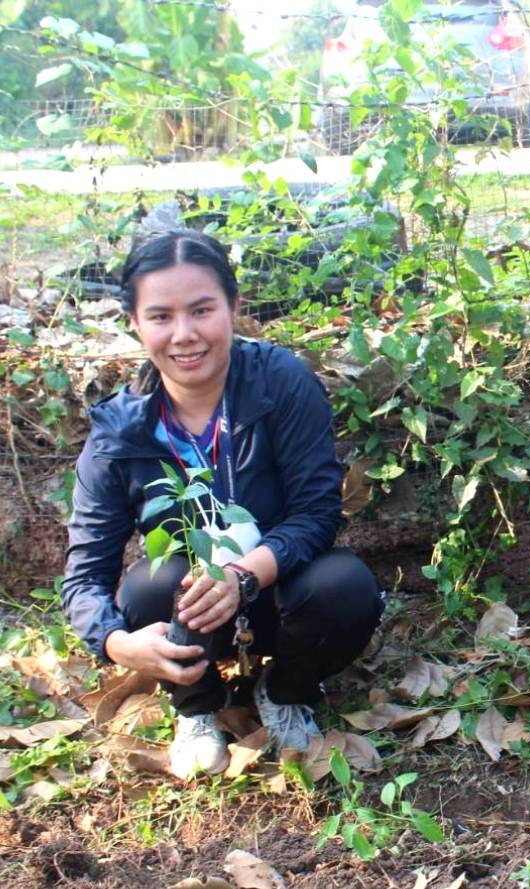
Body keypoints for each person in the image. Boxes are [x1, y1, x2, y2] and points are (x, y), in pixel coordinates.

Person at [63, 230, 384, 779]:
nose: (184, 335)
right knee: (146, 588)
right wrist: (117, 644)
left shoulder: (281, 384)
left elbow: (316, 514)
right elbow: (84, 575)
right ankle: (198, 706)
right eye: (161, 316)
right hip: (192, 608)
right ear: (135, 323)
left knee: (345, 587)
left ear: (234, 308)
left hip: (279, 587)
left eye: (202, 310)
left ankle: (286, 691)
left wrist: (242, 577)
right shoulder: (120, 430)